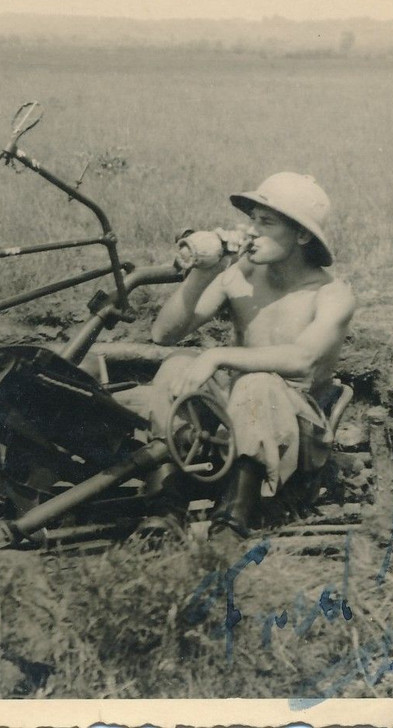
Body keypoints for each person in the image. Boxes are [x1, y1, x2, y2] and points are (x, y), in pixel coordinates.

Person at [148, 172, 356, 538]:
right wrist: (203, 273)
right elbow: (164, 333)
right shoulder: (243, 274)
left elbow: (303, 359)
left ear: (302, 235)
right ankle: (166, 506)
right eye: (252, 220)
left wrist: (217, 356)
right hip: (236, 422)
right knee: (175, 366)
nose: (252, 232)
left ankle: (232, 518)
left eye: (267, 223)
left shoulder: (331, 294)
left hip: (293, 435)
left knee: (256, 384)